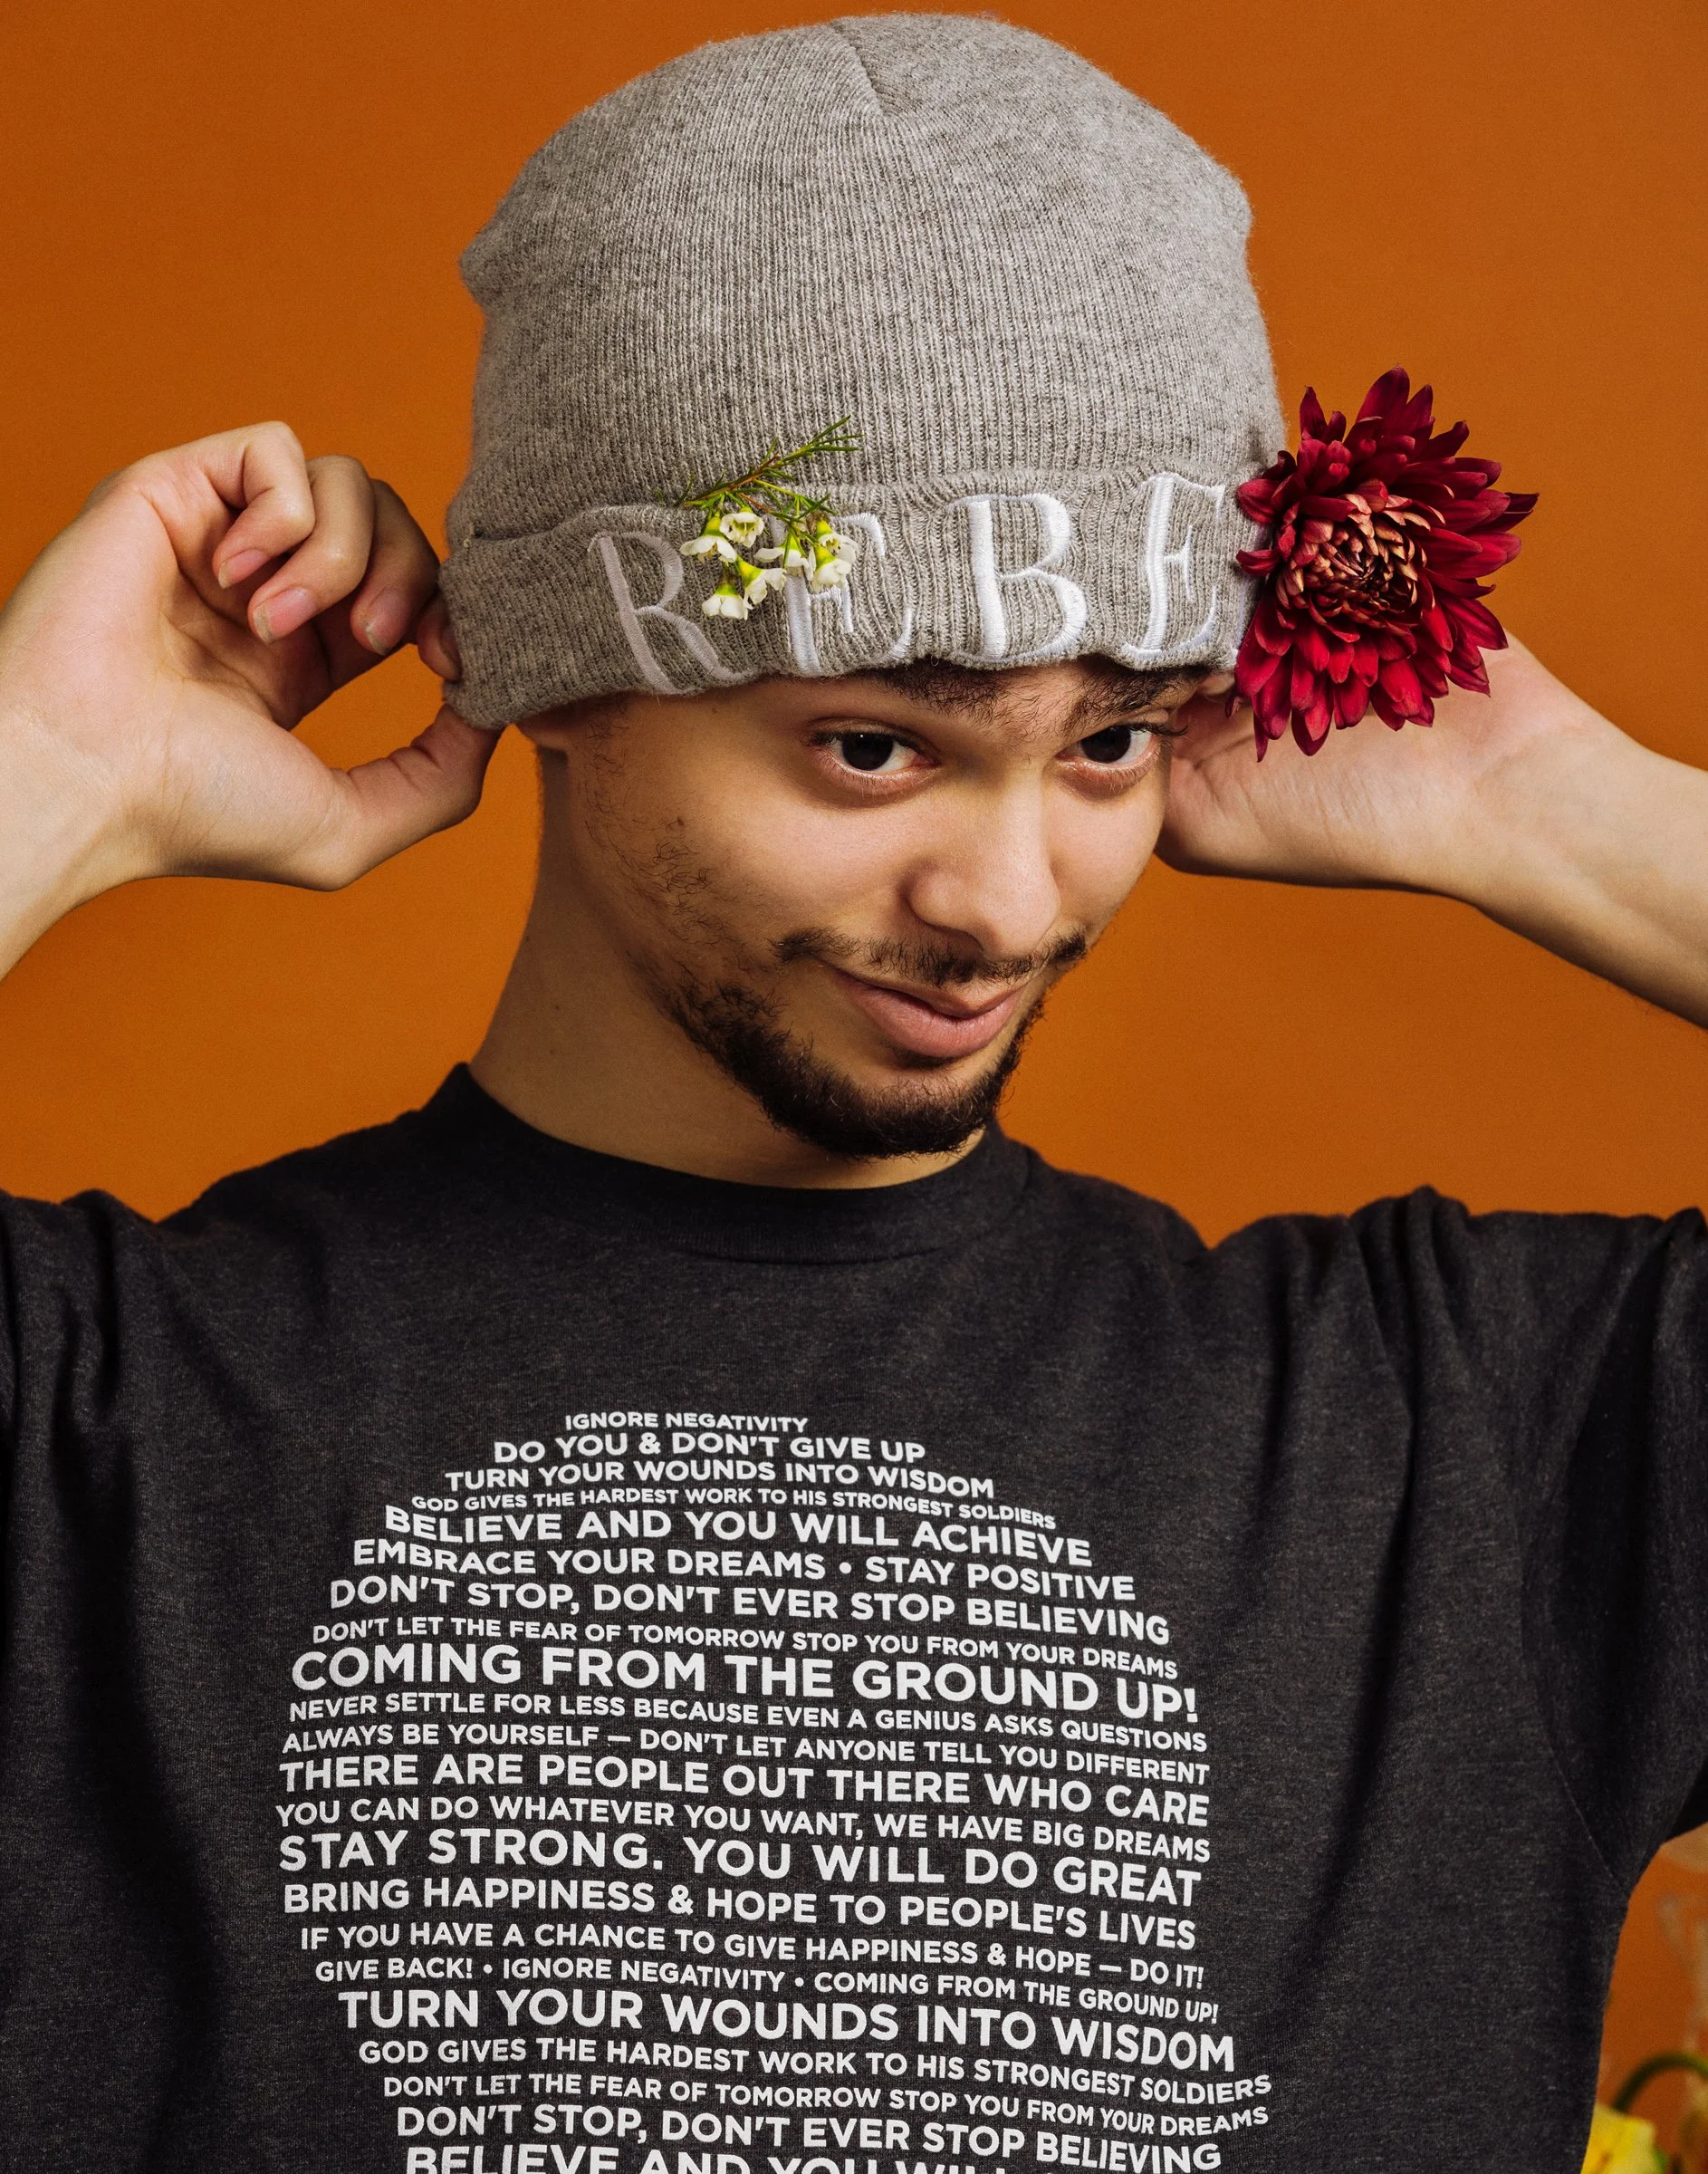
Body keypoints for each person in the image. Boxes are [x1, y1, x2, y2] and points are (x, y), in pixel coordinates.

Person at [1, 16, 1703, 2173]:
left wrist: (1554, 809)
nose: (1007, 903)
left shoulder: (1474, 1445)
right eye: (875, 746)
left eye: (1105, 743)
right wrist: (47, 772)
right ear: (569, 681)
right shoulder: (99, 1424)